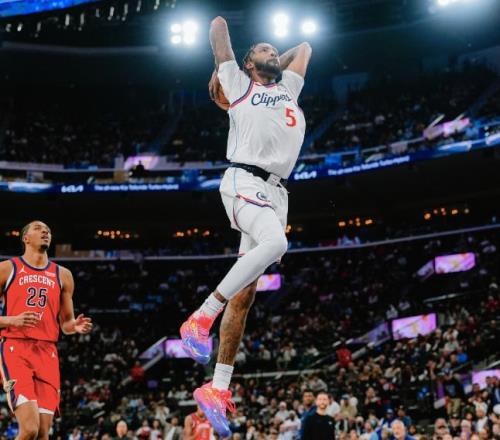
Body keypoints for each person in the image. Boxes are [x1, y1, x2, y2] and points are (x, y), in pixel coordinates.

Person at [179, 14, 312, 438]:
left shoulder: (287, 87)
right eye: (263, 50)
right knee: (277, 244)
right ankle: (200, 317)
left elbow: (304, 49)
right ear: (248, 63)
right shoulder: (239, 84)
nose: (273, 52)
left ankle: (217, 388)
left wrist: (275, 60)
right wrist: (231, 66)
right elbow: (218, 26)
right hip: (245, 180)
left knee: (246, 296)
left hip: (277, 192)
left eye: (274, 49)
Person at [0, 220, 93, 440]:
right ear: (25, 238)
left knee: (43, 434)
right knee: (30, 429)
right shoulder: (7, 268)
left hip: (47, 352)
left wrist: (74, 326)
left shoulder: (63, 275)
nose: (45, 232)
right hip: (16, 348)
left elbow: (66, 323)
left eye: (48, 230)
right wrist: (13, 320)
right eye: (38, 228)